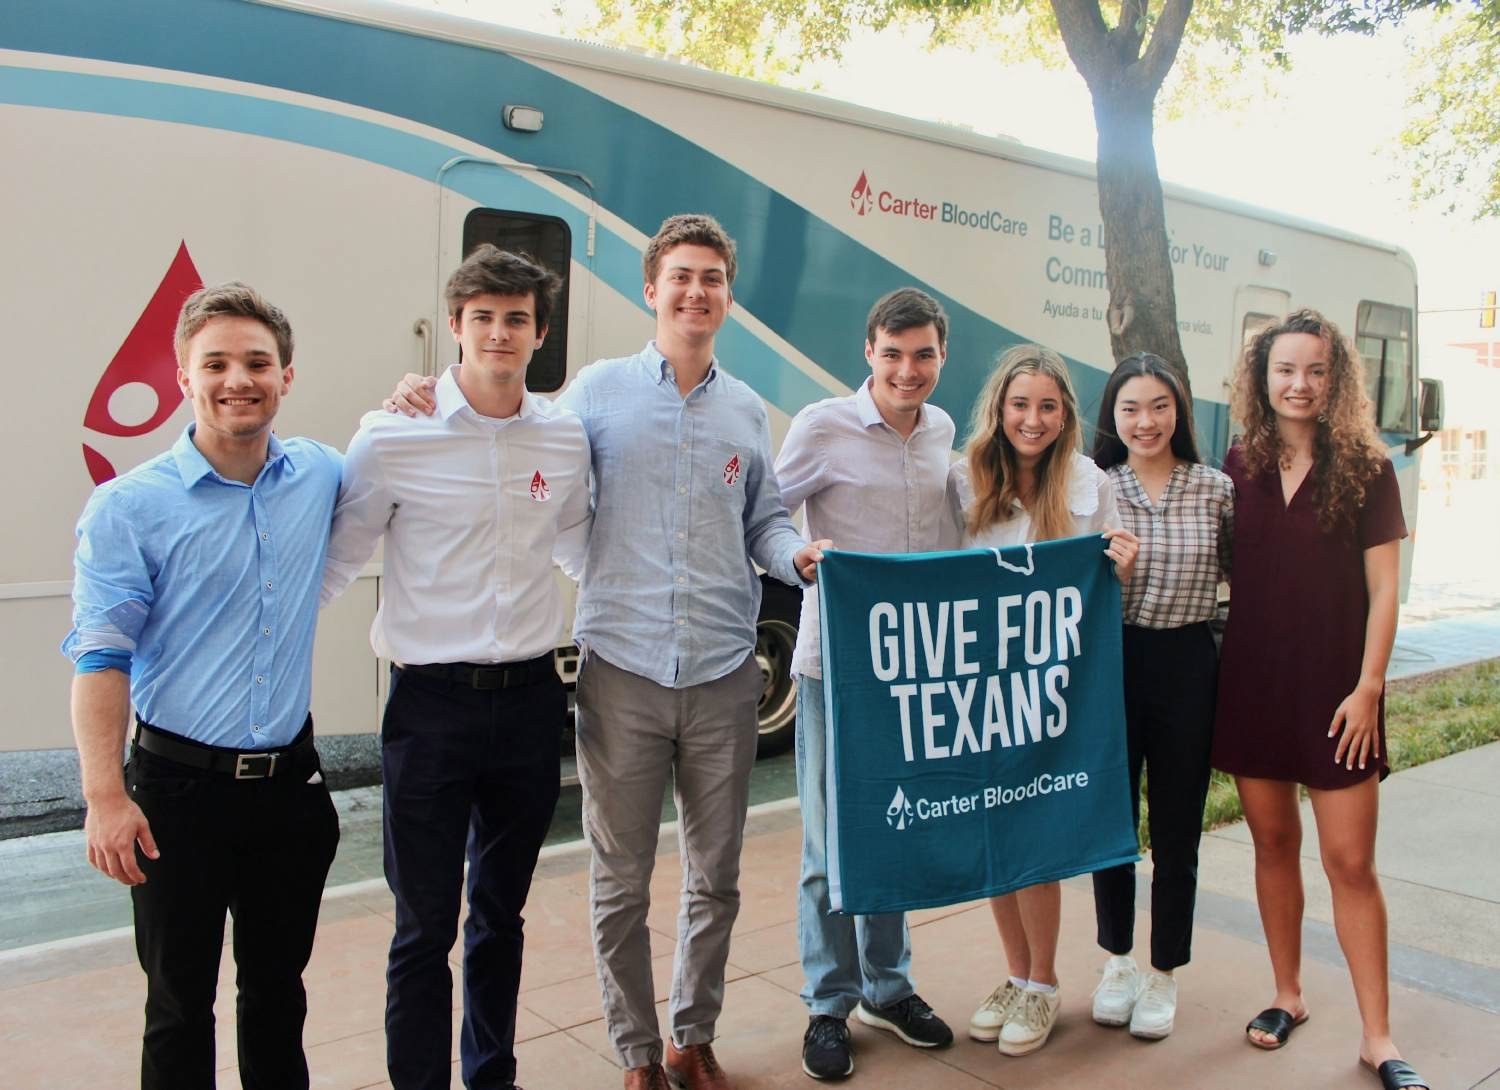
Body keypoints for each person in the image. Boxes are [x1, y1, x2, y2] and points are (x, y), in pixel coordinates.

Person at [386, 214, 827, 1090]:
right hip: (621, 671)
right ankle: (635, 1051)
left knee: (717, 877)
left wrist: (795, 558)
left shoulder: (746, 409)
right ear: (651, 289)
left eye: (712, 277)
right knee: (620, 881)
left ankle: (691, 1035)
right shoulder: (593, 393)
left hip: (724, 674)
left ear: (727, 296)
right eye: (681, 276)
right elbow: (515, 446)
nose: (696, 291)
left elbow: (766, 522)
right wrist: (427, 392)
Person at [323, 245, 591, 1090]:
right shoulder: (391, 437)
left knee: (500, 917)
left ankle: (491, 1075)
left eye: (517, 319)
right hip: (430, 707)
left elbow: (582, 543)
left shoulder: (565, 436)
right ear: (455, 327)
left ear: (540, 332)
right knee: (423, 924)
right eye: (484, 319)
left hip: (528, 703)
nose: (501, 334)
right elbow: (336, 558)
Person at [62, 283, 342, 1090]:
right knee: (180, 1005)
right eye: (214, 363)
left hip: (289, 792)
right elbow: (100, 659)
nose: (237, 379)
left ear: (287, 376)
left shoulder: (319, 474)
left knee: (278, 998)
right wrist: (105, 797)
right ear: (184, 378)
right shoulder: (129, 508)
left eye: (257, 362)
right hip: (176, 798)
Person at [1211, 310, 1427, 1090]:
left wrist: (1370, 688)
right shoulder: (1238, 464)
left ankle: (1379, 1037)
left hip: (1340, 695)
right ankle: (1288, 996)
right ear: (1261, 379)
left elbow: (1385, 592)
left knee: (1349, 862)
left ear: (1337, 382)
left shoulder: (1367, 468)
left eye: (1315, 371)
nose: (1299, 385)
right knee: (1272, 847)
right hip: (1253, 686)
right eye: (1284, 370)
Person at [773, 288, 958, 1080]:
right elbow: (765, 513)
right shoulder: (823, 426)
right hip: (835, 667)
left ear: (941, 357)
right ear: (868, 352)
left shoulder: (945, 432)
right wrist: (796, 555)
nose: (907, 371)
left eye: (922, 356)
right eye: (893, 354)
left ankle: (889, 986)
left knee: (896, 829)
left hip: (915, 670)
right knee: (827, 841)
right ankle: (828, 1001)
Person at [946, 343, 1138, 1057]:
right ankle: (1017, 973)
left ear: (1065, 417)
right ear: (999, 408)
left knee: (1036, 838)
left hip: (1054, 690)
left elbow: (1107, 589)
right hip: (979, 687)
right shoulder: (963, 479)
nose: (1033, 419)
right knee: (994, 833)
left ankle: (1046, 981)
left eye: (1048, 406)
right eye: (1021, 404)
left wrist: (1122, 567)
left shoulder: (1089, 483)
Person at [1086, 353, 1234, 1039]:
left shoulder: (1214, 488)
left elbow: (1242, 581)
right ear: (1112, 417)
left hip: (1185, 663)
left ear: (1180, 410)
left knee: (1177, 833)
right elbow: (1070, 593)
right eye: (1130, 409)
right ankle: (1116, 960)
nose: (1145, 421)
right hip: (1112, 663)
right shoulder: (1093, 486)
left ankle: (1164, 971)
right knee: (1112, 828)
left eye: (1159, 406)